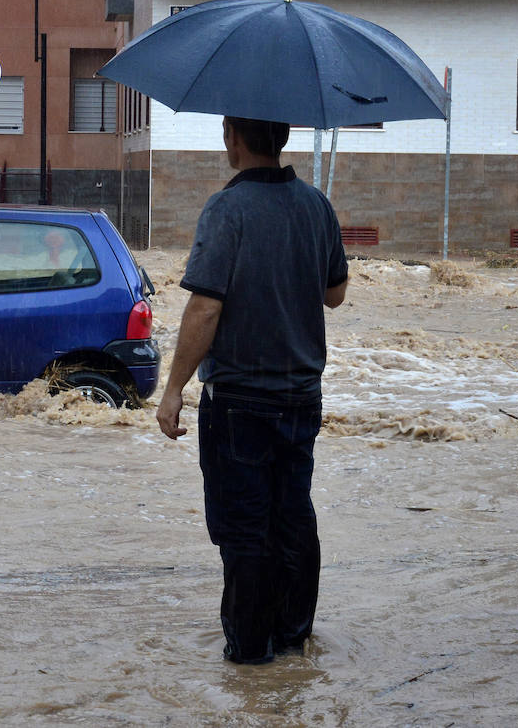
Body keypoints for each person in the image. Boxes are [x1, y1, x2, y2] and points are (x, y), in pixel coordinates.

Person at [155, 115, 349, 665]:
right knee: (293, 520)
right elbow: (334, 295)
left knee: (244, 533)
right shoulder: (317, 206)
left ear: (233, 138)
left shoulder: (227, 208)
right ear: (283, 137)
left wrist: (172, 390)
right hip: (301, 398)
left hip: (239, 402)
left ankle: (250, 660)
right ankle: (294, 643)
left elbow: (205, 306)